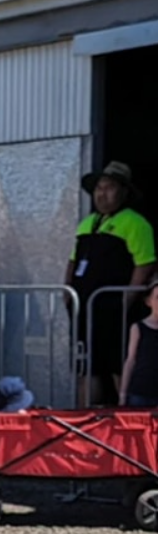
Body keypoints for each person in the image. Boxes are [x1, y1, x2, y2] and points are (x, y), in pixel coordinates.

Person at [65, 160, 156, 403]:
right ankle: (86, 418)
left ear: (124, 192)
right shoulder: (87, 223)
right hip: (85, 308)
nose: (102, 193)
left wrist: (126, 299)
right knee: (87, 368)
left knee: (119, 365)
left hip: (114, 309)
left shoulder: (136, 223)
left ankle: (127, 417)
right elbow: (73, 260)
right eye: (99, 188)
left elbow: (145, 263)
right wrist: (67, 292)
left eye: (109, 187)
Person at [119, 278, 158, 407]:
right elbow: (130, 360)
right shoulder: (138, 327)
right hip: (141, 391)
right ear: (149, 301)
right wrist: (123, 394)